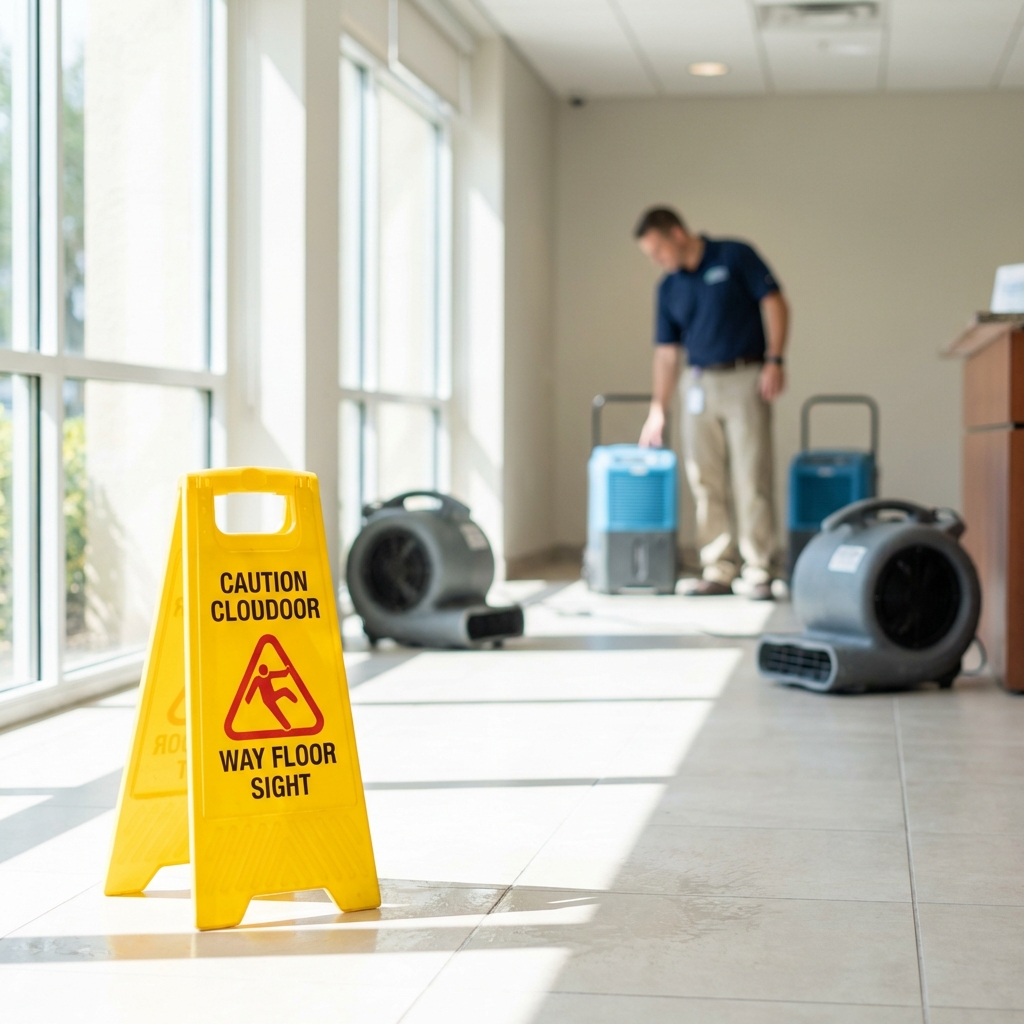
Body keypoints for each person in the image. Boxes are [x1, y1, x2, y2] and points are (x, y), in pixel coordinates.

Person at [635, 207, 788, 601]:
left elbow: (774, 302)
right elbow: (666, 354)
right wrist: (658, 408)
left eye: (658, 250)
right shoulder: (668, 288)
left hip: (745, 377)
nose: (657, 260)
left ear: (678, 233)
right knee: (705, 480)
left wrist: (775, 359)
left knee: (751, 476)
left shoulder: (734, 256)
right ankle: (718, 566)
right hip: (698, 384)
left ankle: (758, 570)